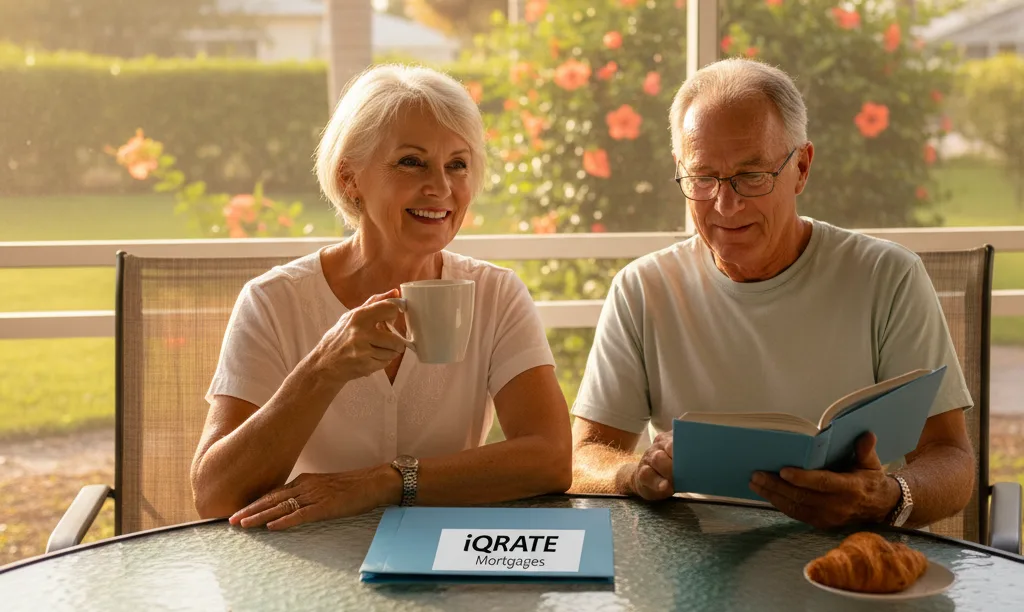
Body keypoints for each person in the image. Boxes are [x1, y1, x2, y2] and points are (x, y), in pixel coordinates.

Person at [569, 58, 975, 530]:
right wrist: (630, 473)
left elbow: (951, 460)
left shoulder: (887, 276)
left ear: (801, 167)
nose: (725, 204)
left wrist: (886, 496)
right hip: (694, 570)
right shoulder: (643, 288)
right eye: (703, 178)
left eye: (751, 175)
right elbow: (583, 456)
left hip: (844, 565)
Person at [191, 65, 572, 530]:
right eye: (412, 162)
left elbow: (551, 460)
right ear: (350, 179)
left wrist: (384, 482)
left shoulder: (497, 294)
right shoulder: (273, 302)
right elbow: (214, 495)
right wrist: (322, 370)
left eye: (458, 164)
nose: (442, 188)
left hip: (444, 568)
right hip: (304, 567)